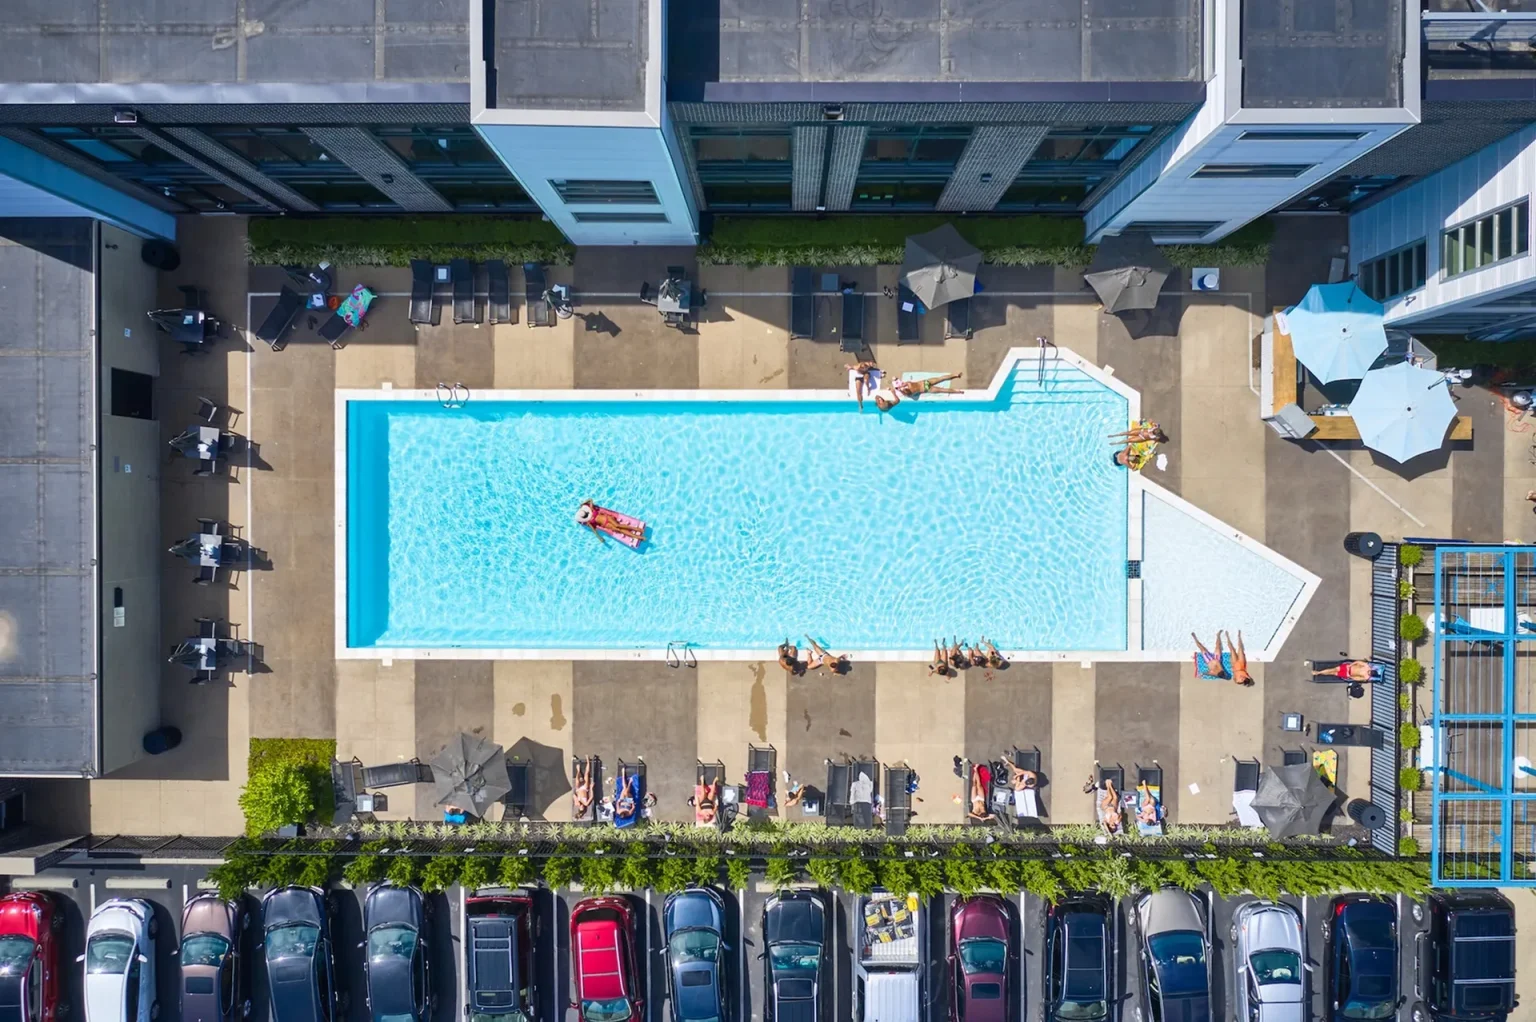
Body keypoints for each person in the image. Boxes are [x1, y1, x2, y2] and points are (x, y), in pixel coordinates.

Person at [578, 500, 645, 541]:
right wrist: (600, 538)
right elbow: (594, 530)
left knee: (618, 525)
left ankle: (636, 529)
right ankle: (638, 536)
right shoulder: (589, 521)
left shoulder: (591, 511)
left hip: (607, 518)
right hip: (606, 524)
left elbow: (590, 500)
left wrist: (583, 503)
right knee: (619, 530)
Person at [894, 372, 964, 397]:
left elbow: (905, 393)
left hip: (925, 388)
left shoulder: (910, 393)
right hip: (925, 382)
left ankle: (958, 391)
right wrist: (900, 386)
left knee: (943, 390)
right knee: (941, 378)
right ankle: (956, 375)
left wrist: (900, 390)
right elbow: (905, 384)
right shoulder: (909, 384)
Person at [1312, 659, 1383, 682]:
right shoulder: (1366, 666)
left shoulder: (1366, 677)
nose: (1368, 672)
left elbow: (1357, 678)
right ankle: (1318, 672)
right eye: (1369, 671)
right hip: (1348, 668)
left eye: (1369, 673)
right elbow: (1358, 662)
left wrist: (1350, 677)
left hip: (1348, 674)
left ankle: (1319, 673)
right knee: (1333, 669)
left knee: (1333, 673)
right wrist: (1351, 665)